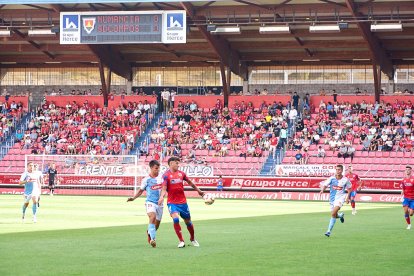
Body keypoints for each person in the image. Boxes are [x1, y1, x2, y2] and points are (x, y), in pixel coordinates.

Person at [158, 157, 205, 248]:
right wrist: (161, 197)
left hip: (183, 202)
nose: (178, 165)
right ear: (171, 163)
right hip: (172, 202)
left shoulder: (181, 174)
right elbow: (164, 189)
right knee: (175, 219)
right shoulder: (165, 175)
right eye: (176, 163)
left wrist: (199, 191)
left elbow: (190, 183)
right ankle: (181, 241)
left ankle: (192, 239)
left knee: (188, 222)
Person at [127, 160, 163, 248]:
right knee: (152, 217)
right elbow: (140, 191)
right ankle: (152, 239)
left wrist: (162, 197)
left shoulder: (162, 178)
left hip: (160, 204)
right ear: (151, 168)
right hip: (150, 202)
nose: (157, 170)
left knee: (156, 225)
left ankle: (149, 232)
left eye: (158, 168)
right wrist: (133, 198)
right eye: (156, 168)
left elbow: (164, 190)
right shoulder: (146, 179)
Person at [320, 164, 351, 237]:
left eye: (339, 169)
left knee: (333, 213)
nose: (337, 171)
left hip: (340, 198)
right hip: (332, 199)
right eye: (336, 169)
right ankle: (340, 216)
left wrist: (347, 198)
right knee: (334, 214)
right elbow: (325, 185)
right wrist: (322, 190)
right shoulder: (332, 178)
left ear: (342, 170)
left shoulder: (345, 179)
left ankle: (328, 231)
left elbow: (349, 189)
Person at [401, 165, 414, 230]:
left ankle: (411, 209)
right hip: (406, 198)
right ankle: (409, 225)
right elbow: (403, 188)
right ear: (405, 171)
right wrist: (402, 193)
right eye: (406, 170)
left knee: (411, 214)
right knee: (406, 211)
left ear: (411, 171)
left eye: (409, 169)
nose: (407, 171)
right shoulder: (403, 180)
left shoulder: (413, 179)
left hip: (413, 199)